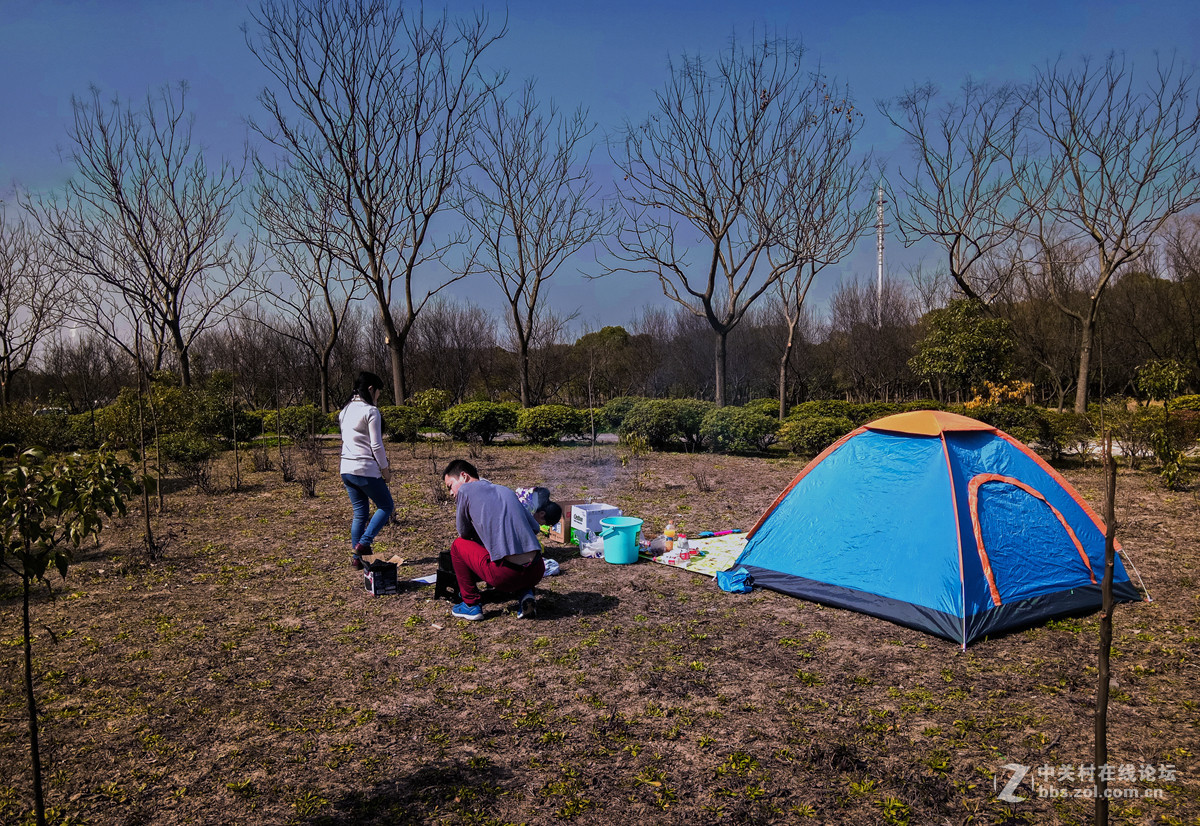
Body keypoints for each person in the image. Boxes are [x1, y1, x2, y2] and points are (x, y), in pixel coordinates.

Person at [443, 459, 544, 621]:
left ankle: (471, 604)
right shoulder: (506, 490)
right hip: (537, 570)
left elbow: (463, 532)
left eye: (450, 486)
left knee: (458, 546)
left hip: (505, 575)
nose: (450, 493)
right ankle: (526, 593)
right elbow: (535, 528)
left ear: (464, 476)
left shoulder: (465, 491)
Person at [339, 371, 393, 569]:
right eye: (378, 393)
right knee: (386, 506)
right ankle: (363, 545)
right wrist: (385, 470)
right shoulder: (371, 411)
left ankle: (357, 559)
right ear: (371, 389)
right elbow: (376, 445)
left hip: (346, 469)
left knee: (360, 513)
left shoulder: (344, 411)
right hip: (365, 469)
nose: (377, 398)